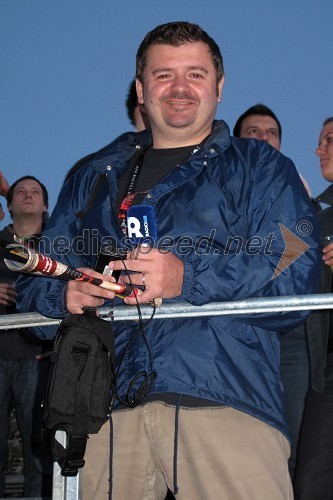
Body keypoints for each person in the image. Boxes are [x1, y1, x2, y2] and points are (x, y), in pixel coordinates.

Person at [17, 22, 320, 499]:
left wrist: (187, 275)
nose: (179, 88)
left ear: (220, 87)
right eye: (163, 75)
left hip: (227, 403)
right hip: (102, 415)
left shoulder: (260, 166)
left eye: (196, 74)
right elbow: (36, 276)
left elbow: (296, 266)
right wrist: (66, 291)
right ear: (141, 90)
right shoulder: (92, 175)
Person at [233, 103, 319, 480]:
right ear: (238, 140)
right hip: (238, 330)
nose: (264, 138)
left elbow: (302, 254)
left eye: (271, 133)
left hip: (293, 332)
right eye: (254, 132)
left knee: (294, 433)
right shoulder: (222, 187)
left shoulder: (299, 189)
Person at [0, 176, 53, 498]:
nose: (28, 196)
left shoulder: (57, 245)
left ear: (45, 205)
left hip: (37, 355)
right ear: (9, 205)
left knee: (39, 445)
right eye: (20, 192)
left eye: (35, 192)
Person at [294, 117, 333, 500]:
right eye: (321, 141)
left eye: (331, 140)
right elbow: (275, 264)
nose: (319, 149)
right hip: (325, 370)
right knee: (313, 476)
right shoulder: (313, 216)